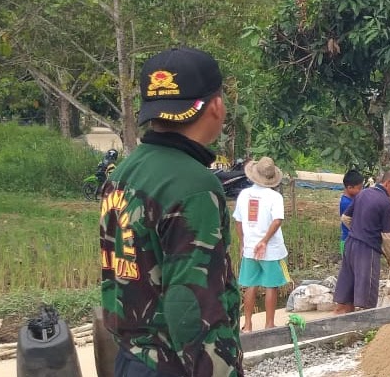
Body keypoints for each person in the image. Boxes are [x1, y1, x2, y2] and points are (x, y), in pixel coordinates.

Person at [98, 46, 242, 376]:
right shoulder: (195, 186)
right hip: (174, 364)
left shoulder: (122, 174)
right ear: (217, 106)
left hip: (130, 358)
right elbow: (191, 307)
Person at [334, 170, 390, 313]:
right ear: (388, 183)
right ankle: (364, 329)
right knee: (366, 296)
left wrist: (358, 230)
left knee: (347, 291)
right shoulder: (386, 203)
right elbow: (387, 236)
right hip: (367, 251)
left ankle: (344, 324)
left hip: (350, 245)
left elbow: (345, 218)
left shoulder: (363, 193)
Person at [233, 157, 291, 332]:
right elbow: (277, 220)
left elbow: (238, 221)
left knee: (251, 285)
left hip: (250, 247)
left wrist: (243, 243)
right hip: (271, 250)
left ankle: (248, 324)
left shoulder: (244, 195)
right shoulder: (275, 197)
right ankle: (269, 324)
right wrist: (264, 241)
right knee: (271, 285)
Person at [339, 169, 365, 252]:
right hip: (349, 241)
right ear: (350, 188)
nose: (362, 190)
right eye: (360, 188)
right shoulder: (346, 203)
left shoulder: (353, 199)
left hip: (354, 240)